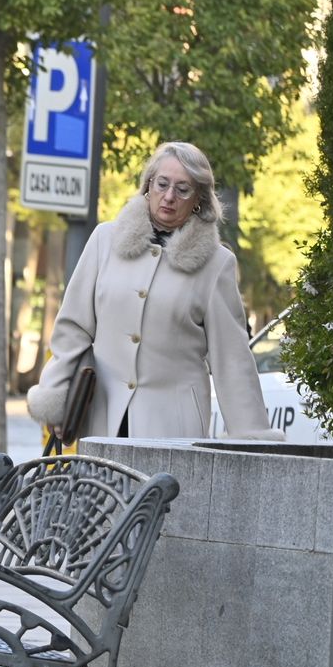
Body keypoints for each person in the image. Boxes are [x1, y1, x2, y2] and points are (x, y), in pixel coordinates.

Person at [27, 140, 283, 442]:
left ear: (199, 198)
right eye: (162, 184)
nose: (169, 197)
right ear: (148, 185)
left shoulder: (217, 264)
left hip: (174, 428)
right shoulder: (104, 240)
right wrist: (56, 395)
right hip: (102, 419)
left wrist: (251, 437)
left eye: (182, 189)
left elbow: (232, 359)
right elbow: (73, 329)